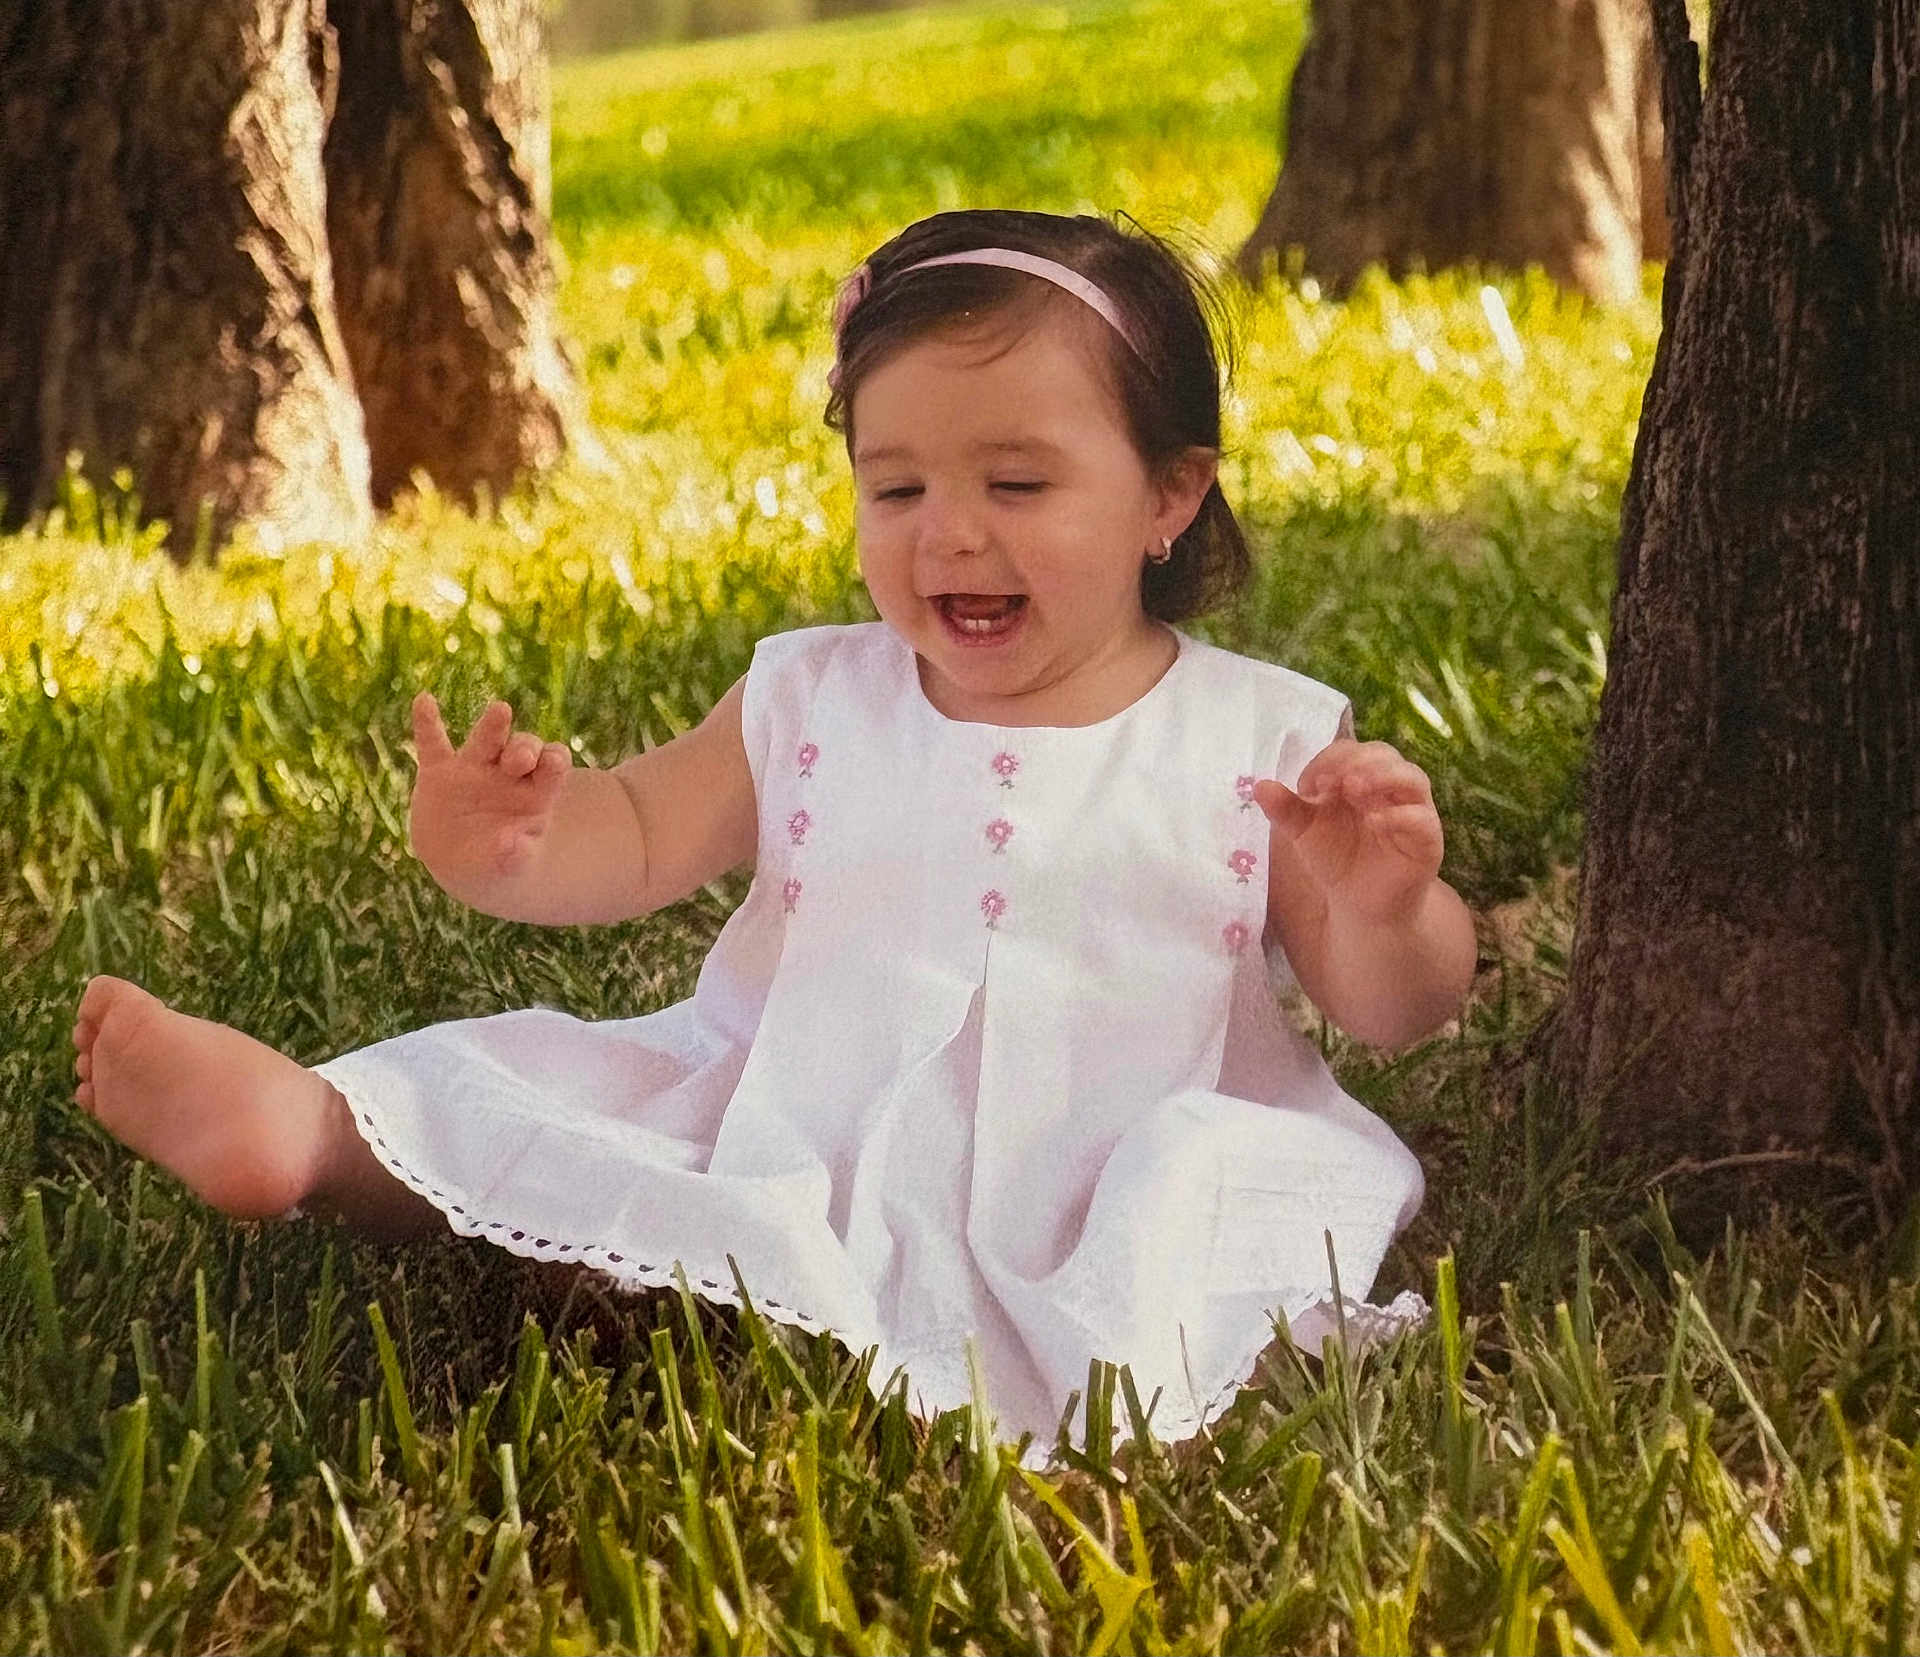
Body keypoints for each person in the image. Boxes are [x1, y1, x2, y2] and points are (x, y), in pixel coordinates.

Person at [71, 209, 1475, 1449]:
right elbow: (628, 838)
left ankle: (714, 1297)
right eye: (898, 487)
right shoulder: (817, 692)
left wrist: (1390, 906)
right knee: (575, 1104)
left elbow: (1392, 1008)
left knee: (1176, 1242)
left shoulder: (1260, 738)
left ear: (1169, 494)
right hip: (799, 1114)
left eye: (1019, 485)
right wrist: (498, 844)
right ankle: (312, 1132)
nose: (950, 536)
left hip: (1115, 1158)